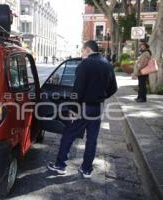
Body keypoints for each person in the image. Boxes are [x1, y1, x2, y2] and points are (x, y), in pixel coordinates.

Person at [47, 40, 118, 178]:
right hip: (98, 108)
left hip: (83, 108)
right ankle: (87, 169)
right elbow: (113, 88)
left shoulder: (84, 64)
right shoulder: (107, 64)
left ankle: (60, 165)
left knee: (68, 134)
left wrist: (73, 107)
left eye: (82, 51)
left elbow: (77, 89)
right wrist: (101, 97)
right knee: (92, 139)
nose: (81, 53)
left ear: (87, 49)